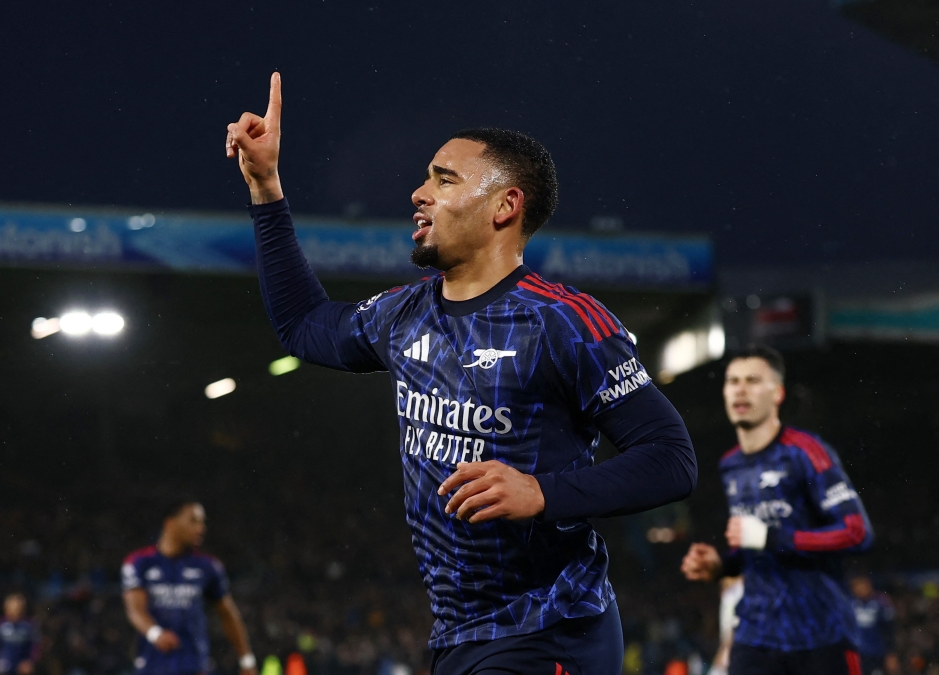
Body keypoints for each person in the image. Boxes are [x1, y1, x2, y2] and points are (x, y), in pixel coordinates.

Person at [225, 73, 697, 675]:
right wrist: (266, 187)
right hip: (456, 635)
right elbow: (303, 324)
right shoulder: (404, 313)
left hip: (549, 628)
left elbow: (671, 457)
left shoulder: (563, 321)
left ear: (506, 205)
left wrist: (542, 492)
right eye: (425, 177)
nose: (419, 193)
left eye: (443, 179)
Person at [681, 345, 873, 675]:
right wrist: (722, 566)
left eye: (753, 380)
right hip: (756, 637)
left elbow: (857, 532)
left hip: (820, 636)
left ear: (778, 393)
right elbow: (754, 548)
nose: (740, 389)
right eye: (732, 381)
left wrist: (772, 536)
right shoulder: (731, 465)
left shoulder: (806, 452)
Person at [122, 501, 257, 675]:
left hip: (195, 667)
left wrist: (246, 661)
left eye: (202, 522)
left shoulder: (208, 567)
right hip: (152, 667)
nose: (201, 529)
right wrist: (156, 634)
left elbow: (228, 614)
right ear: (170, 523)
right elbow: (135, 610)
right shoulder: (139, 563)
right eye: (193, 521)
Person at [0, 594, 39, 675]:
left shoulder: (29, 626)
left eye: (18, 608)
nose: (16, 611)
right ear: (6, 608)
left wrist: (31, 662)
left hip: (22, 668)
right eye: (13, 608)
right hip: (1, 667)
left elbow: (36, 647)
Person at [850, 575, 895, 675]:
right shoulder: (850, 603)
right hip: (858, 652)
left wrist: (891, 653)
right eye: (855, 586)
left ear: (868, 584)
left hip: (877, 652)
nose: (858, 588)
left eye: (861, 584)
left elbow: (889, 629)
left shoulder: (881, 602)